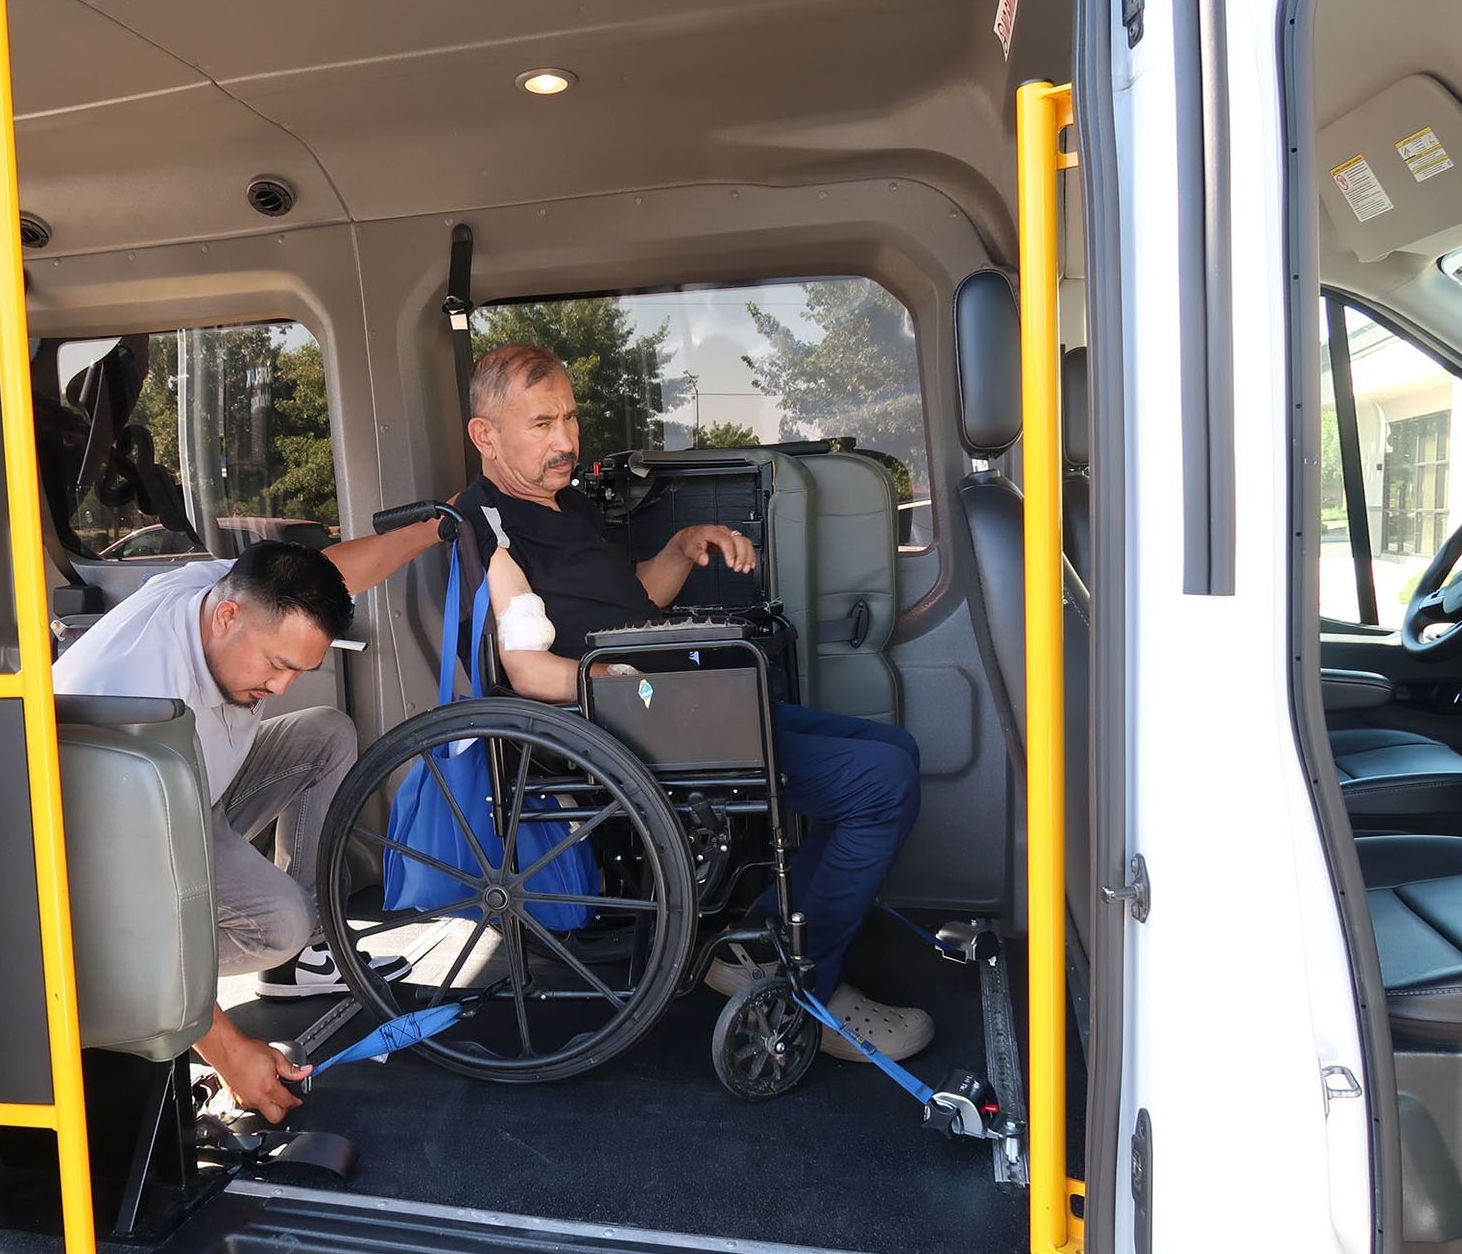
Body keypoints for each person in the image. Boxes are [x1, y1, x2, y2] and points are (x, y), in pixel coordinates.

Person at [456, 343, 930, 1062]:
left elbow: (633, 599)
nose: (566, 442)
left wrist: (682, 544)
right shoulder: (485, 526)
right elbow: (526, 669)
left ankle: (760, 946)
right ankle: (804, 989)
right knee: (880, 786)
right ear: (485, 435)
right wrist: (625, 679)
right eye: (542, 424)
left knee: (893, 750)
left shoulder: (568, 504)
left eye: (571, 419)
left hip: (667, 700)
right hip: (617, 724)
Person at [53, 520, 446, 1122]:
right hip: (106, 854)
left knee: (326, 733)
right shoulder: (129, 703)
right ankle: (124, 995)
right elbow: (126, 906)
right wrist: (228, 1050)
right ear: (226, 619)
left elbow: (332, 571)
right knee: (277, 924)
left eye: (298, 670)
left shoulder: (223, 589)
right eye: (275, 664)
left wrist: (435, 526)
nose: (281, 686)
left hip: (191, 791)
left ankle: (306, 960)